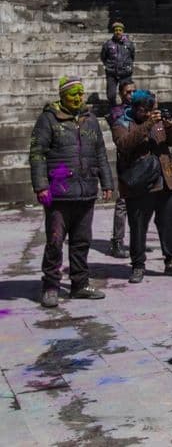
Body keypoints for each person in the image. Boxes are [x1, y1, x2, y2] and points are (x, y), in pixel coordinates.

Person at [30, 76, 113, 307]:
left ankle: (79, 284)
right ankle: (50, 285)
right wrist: (41, 186)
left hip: (86, 190)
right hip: (58, 193)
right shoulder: (48, 119)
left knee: (82, 241)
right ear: (62, 95)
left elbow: (100, 153)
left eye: (81, 93)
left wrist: (107, 183)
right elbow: (37, 154)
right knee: (55, 241)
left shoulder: (90, 120)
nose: (78, 98)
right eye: (73, 94)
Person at [111, 89, 172, 283]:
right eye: (145, 110)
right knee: (138, 226)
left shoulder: (159, 121)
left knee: (171, 223)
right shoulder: (122, 123)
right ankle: (138, 265)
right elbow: (124, 144)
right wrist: (147, 124)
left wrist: (170, 125)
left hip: (167, 180)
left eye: (152, 109)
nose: (149, 113)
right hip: (140, 184)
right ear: (136, 108)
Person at [105, 78, 136, 258]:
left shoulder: (140, 109)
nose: (131, 95)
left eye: (133, 91)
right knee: (123, 201)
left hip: (142, 161)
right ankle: (117, 241)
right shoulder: (117, 112)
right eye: (127, 92)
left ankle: (138, 240)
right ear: (121, 94)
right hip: (126, 161)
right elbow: (125, 135)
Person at [100, 21, 135, 106]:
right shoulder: (108, 44)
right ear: (113, 31)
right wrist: (108, 66)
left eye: (120, 30)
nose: (118, 32)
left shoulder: (129, 44)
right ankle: (113, 110)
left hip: (125, 73)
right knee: (111, 95)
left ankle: (125, 109)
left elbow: (132, 56)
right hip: (112, 73)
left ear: (122, 31)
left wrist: (128, 66)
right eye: (116, 30)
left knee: (127, 94)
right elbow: (103, 57)